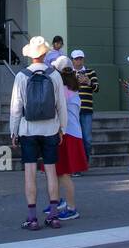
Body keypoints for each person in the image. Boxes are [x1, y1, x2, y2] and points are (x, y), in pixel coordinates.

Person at [9, 35, 68, 230]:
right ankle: (53, 215)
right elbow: (61, 105)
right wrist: (63, 128)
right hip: (51, 128)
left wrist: (13, 132)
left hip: (28, 130)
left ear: (30, 55)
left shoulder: (21, 76)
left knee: (30, 173)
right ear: (45, 53)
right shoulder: (54, 75)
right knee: (51, 171)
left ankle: (32, 217)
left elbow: (16, 108)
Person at [49, 55, 88, 218]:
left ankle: (71, 208)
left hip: (67, 134)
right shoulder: (72, 88)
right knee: (59, 171)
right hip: (71, 132)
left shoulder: (62, 90)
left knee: (64, 173)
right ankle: (58, 201)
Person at [71, 50, 99, 167]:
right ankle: (78, 163)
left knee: (87, 139)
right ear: (72, 60)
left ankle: (84, 161)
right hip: (72, 111)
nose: (79, 61)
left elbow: (96, 88)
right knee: (75, 139)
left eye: (81, 58)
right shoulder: (69, 73)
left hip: (86, 109)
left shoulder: (90, 72)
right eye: (76, 59)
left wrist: (88, 82)